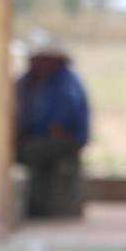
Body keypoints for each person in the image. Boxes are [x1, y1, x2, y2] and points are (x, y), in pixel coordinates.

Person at [15, 43, 90, 216]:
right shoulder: (33, 81)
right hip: (44, 136)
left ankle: (36, 205)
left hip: (66, 139)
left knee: (30, 152)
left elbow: (62, 118)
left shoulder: (65, 81)